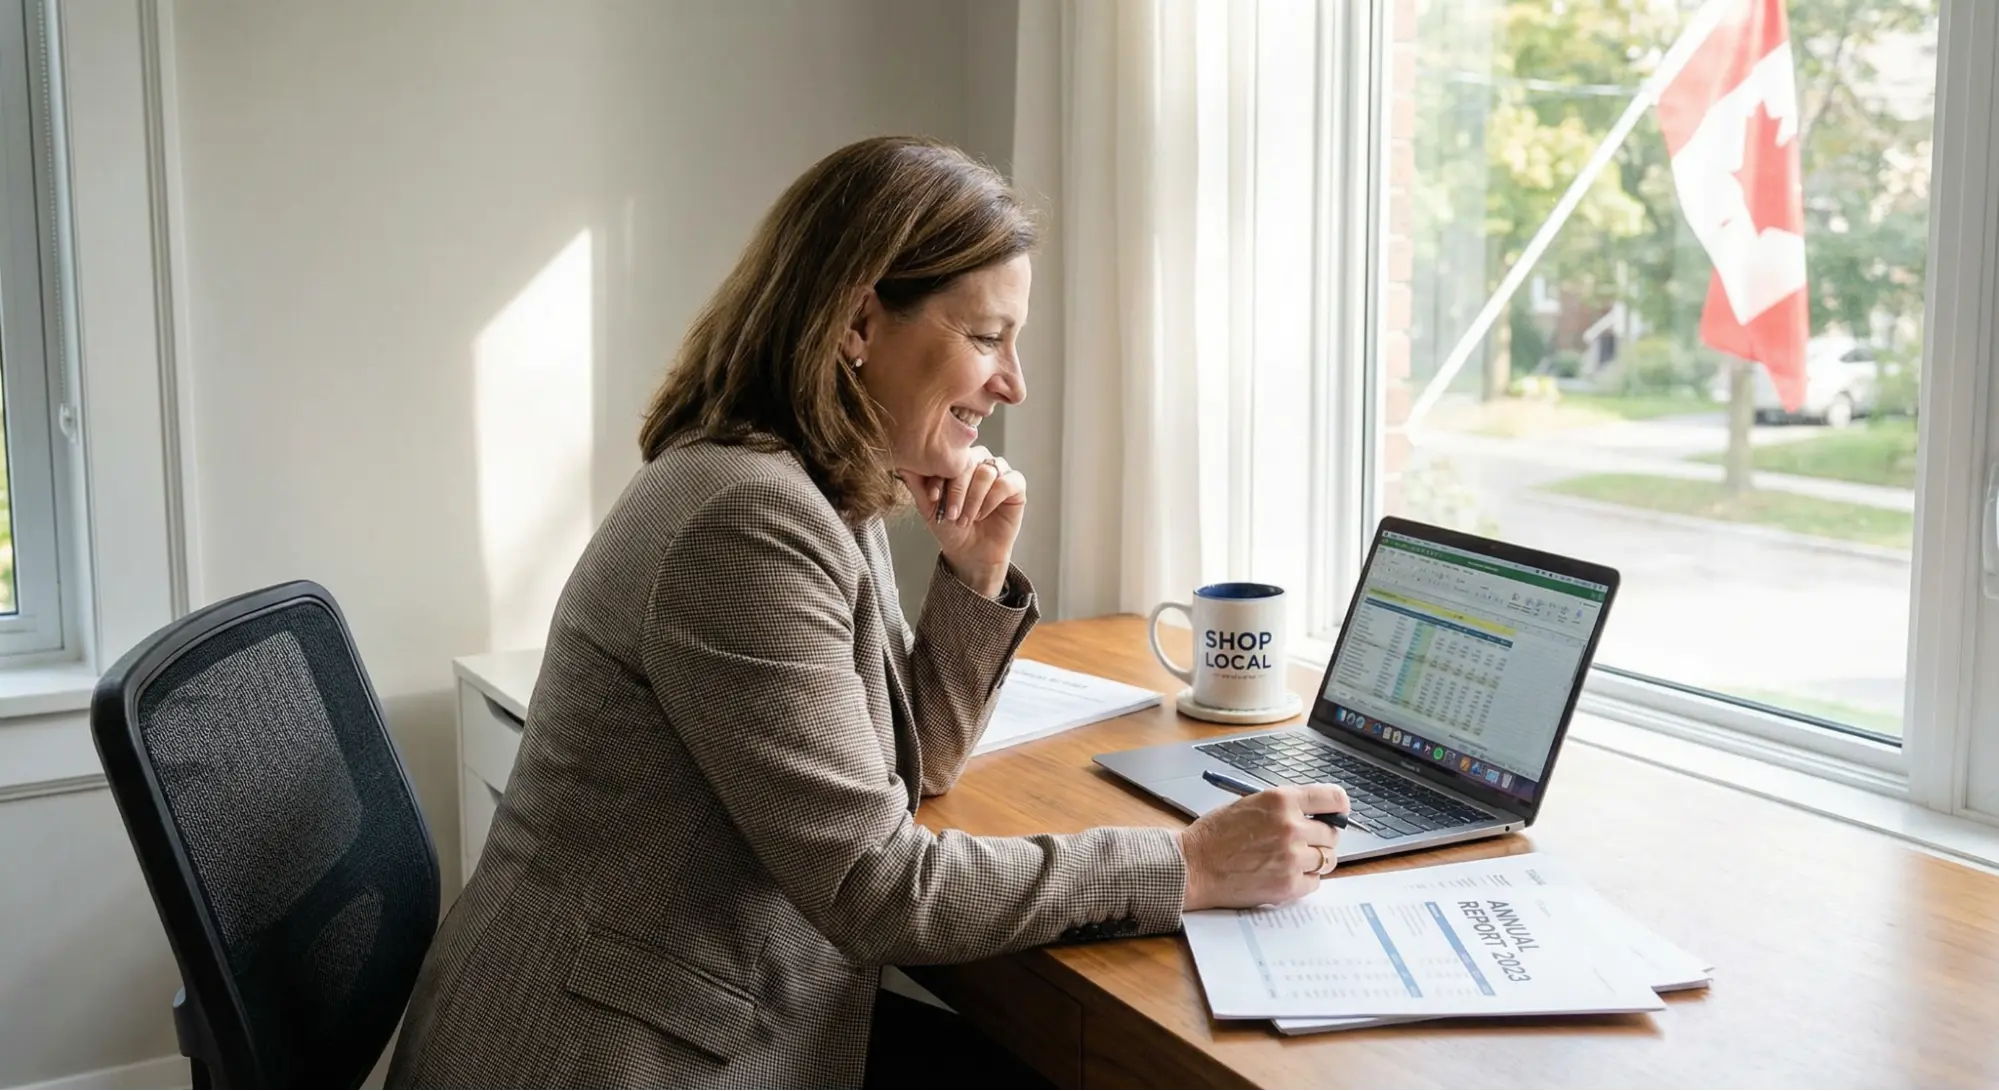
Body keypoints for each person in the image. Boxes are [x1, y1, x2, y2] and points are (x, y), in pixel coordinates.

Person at [386, 136, 1349, 1091]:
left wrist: (971, 578)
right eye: (985, 337)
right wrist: (1186, 861)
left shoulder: (817, 481)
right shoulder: (747, 519)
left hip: (691, 1003)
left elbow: (906, 768)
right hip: (598, 1053)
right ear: (857, 324)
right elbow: (878, 891)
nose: (1011, 383)